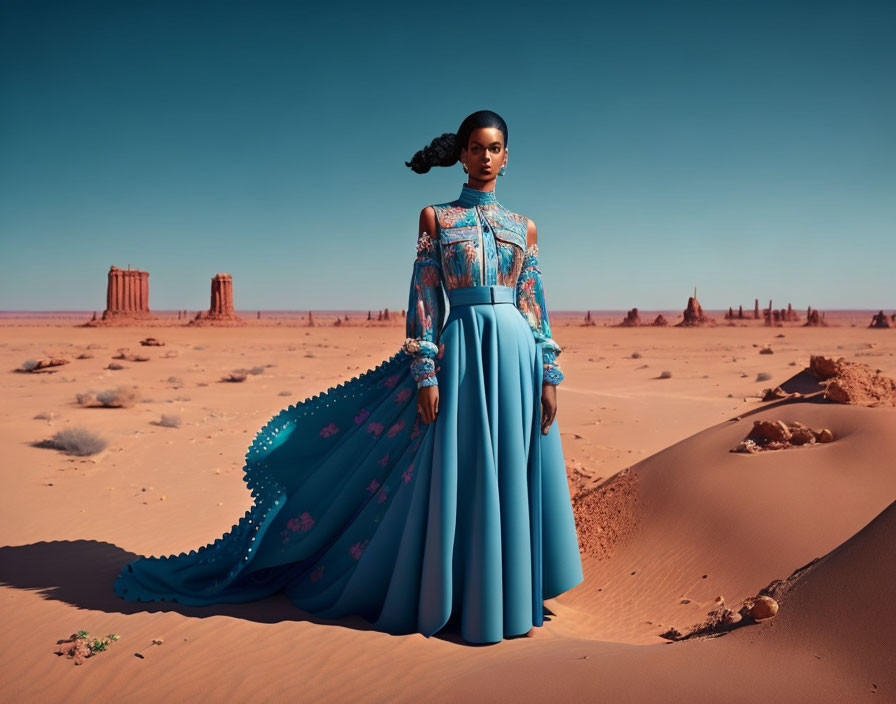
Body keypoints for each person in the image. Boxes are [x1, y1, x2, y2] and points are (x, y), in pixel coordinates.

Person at [114, 110, 584, 644]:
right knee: (461, 471)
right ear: (461, 153)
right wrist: (426, 370)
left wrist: (548, 371)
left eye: (494, 148)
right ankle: (455, 598)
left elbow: (535, 305)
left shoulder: (525, 227)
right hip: (463, 355)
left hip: (516, 360)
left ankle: (504, 597)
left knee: (508, 475)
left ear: (507, 156)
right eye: (475, 147)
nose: (485, 157)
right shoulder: (437, 218)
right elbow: (424, 301)